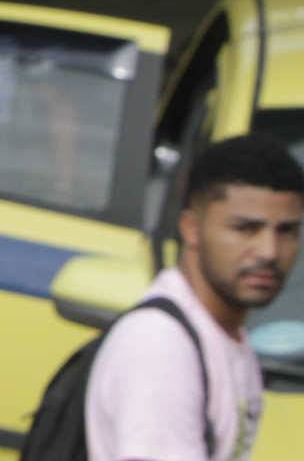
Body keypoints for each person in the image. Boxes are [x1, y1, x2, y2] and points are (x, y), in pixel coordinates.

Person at [86, 133, 303, 461]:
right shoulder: (162, 347)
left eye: (287, 231)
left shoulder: (227, 337)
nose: (269, 252)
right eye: (246, 229)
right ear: (190, 227)